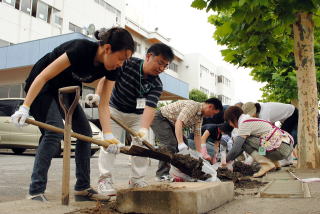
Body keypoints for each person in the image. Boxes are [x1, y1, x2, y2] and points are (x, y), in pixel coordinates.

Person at [10, 27, 134, 202]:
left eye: (125, 60)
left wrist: (108, 136)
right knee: (54, 131)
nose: (121, 63)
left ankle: (82, 188)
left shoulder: (113, 68)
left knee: (85, 133)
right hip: (42, 86)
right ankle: (35, 190)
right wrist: (25, 106)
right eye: (121, 58)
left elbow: (104, 104)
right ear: (107, 49)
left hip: (67, 90)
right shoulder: (80, 49)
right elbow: (44, 76)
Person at [86, 43, 174, 196]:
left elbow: (150, 108)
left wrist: (144, 129)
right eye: (160, 62)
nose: (161, 68)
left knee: (144, 144)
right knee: (109, 143)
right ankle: (104, 180)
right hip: (114, 110)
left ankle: (137, 179)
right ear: (148, 56)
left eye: (165, 66)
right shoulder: (128, 64)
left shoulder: (157, 84)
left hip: (137, 115)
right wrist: (99, 96)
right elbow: (106, 79)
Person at [150, 98, 223, 181]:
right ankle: (161, 174)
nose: (211, 116)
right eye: (213, 113)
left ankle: (182, 172)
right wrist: (180, 143)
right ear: (210, 106)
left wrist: (200, 154)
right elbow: (179, 122)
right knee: (170, 144)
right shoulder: (193, 106)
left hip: (170, 123)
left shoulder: (199, 117)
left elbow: (197, 135)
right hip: (160, 118)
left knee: (185, 143)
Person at [224, 106, 294, 177]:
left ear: (233, 118)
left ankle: (266, 164)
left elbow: (237, 147)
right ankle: (274, 163)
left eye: (229, 121)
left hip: (281, 149)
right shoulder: (251, 120)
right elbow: (257, 146)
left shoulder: (244, 124)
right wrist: (231, 159)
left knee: (242, 140)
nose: (230, 124)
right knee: (260, 142)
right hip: (286, 147)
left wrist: (225, 160)